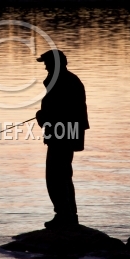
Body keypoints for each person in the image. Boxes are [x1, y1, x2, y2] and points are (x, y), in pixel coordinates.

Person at [35, 50, 89, 230]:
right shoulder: (67, 80)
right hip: (66, 134)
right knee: (62, 175)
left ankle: (65, 216)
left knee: (56, 176)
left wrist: (42, 117)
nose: (45, 66)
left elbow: (61, 113)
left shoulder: (62, 82)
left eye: (47, 63)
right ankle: (67, 215)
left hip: (62, 136)